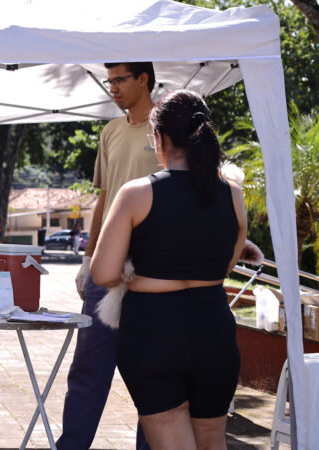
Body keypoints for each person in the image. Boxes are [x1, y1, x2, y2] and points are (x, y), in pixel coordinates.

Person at [90, 89, 246, 448]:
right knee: (212, 440)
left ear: (159, 138)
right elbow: (227, 262)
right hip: (213, 328)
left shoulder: (136, 193)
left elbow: (103, 274)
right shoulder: (232, 193)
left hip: (152, 330)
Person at [58, 62, 162, 450]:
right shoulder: (110, 131)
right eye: (109, 81)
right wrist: (88, 257)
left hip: (152, 272)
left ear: (143, 79)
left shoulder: (168, 129)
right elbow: (103, 198)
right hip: (106, 272)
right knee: (87, 370)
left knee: (151, 377)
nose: (112, 89)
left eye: (120, 80)